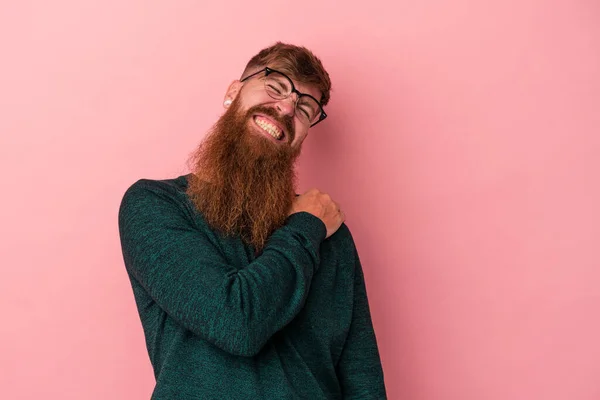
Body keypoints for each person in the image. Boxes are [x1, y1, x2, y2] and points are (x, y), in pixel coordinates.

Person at [118, 42, 387, 399]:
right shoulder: (155, 205)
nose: (288, 107)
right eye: (276, 86)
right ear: (233, 92)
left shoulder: (328, 229)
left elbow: (361, 375)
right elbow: (236, 323)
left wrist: (311, 224)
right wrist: (305, 226)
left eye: (306, 108)